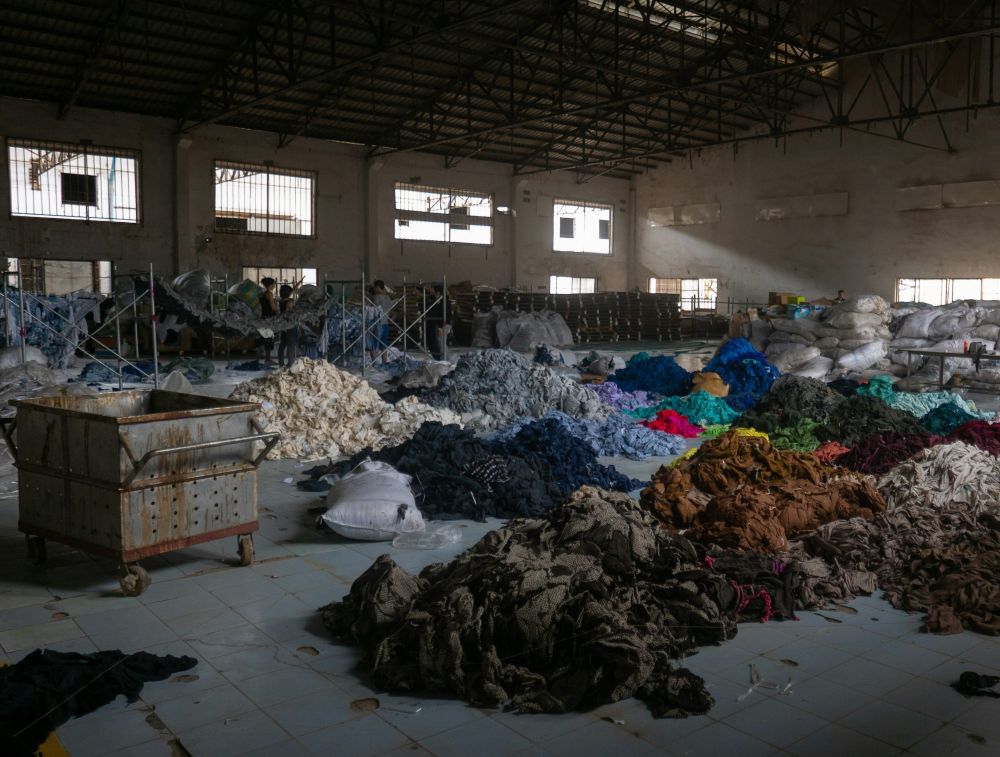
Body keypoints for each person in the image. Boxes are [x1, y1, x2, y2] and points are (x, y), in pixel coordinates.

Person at [368, 280, 394, 365]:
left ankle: (374, 363)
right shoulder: (388, 298)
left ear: (378, 287)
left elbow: (370, 309)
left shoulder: (376, 298)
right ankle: (384, 363)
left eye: (375, 287)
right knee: (384, 344)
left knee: (372, 344)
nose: (374, 289)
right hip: (385, 323)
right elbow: (391, 310)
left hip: (376, 324)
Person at [277, 284, 299, 367]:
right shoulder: (289, 302)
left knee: (283, 344)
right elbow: (288, 313)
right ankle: (290, 364)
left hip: (284, 325)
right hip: (290, 324)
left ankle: (281, 363)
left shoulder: (281, 301)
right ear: (289, 293)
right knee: (291, 345)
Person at [424, 283, 446, 360]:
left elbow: (444, 314)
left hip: (436, 324)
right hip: (429, 322)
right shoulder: (431, 298)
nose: (430, 290)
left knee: (437, 342)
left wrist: (440, 327)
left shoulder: (442, 300)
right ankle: (436, 358)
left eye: (432, 288)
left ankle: (441, 359)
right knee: (430, 342)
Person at [258, 277, 277, 364]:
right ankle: (268, 359)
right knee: (269, 338)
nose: (274, 286)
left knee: (266, 337)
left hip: (264, 317)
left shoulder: (261, 294)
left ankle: (267, 358)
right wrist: (278, 309)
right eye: (273, 284)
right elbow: (273, 307)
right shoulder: (269, 294)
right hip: (269, 318)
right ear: (270, 285)